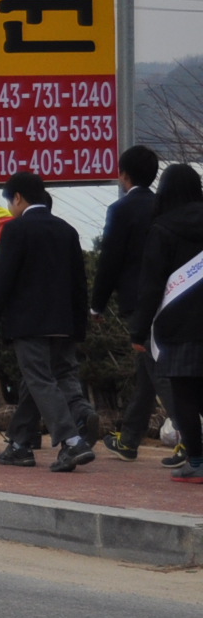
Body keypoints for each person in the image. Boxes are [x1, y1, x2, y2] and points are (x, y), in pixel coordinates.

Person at [0, 170, 96, 471]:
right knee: (35, 383)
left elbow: (2, 281)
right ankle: (21, 444)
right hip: (63, 323)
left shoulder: (16, 230)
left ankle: (72, 441)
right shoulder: (67, 230)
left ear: (18, 198)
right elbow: (78, 283)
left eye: (10, 201)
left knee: (39, 380)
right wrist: (78, 327)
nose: (10, 207)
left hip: (29, 323)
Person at [130, 163, 203, 482]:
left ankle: (198, 463)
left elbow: (151, 286)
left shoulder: (162, 228)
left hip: (179, 326)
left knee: (185, 395)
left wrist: (139, 329)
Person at [94, 144, 161, 460]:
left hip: (138, 301)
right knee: (148, 371)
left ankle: (193, 439)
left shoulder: (121, 210)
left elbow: (110, 260)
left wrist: (97, 303)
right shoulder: (164, 206)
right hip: (171, 296)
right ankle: (130, 438)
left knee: (156, 369)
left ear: (124, 174)